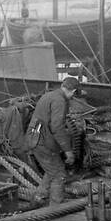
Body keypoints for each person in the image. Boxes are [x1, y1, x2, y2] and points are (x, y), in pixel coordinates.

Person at [28, 74, 82, 206]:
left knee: (52, 170)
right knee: (59, 174)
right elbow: (57, 127)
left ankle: (38, 199)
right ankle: (55, 209)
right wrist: (68, 151)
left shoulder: (49, 95)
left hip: (35, 138)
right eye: (74, 95)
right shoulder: (60, 101)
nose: (73, 98)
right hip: (42, 142)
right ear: (73, 91)